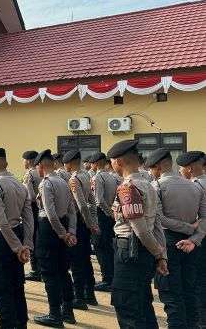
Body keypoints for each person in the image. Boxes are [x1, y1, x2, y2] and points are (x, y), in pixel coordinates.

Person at [107, 139, 167, 328]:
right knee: (142, 305)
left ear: (118, 162)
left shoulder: (128, 187)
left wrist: (159, 254)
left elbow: (139, 228)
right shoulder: (148, 183)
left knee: (127, 306)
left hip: (131, 251)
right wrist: (161, 254)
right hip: (144, 252)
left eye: (112, 162)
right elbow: (156, 223)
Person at [147, 148, 206, 329]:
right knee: (190, 290)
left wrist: (188, 228)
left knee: (171, 293)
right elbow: (203, 218)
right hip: (190, 244)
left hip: (168, 241)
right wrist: (194, 236)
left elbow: (159, 218)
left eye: (151, 169)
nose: (150, 172)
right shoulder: (195, 186)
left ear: (157, 167)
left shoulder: (157, 186)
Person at [0, 148, 34, 329]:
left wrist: (17, 248)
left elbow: (1, 222)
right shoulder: (20, 184)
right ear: (6, 164)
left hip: (2, 240)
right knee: (17, 285)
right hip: (18, 235)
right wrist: (26, 245)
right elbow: (28, 218)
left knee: (1, 286)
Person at [33, 149, 78, 327]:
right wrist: (71, 232)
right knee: (63, 271)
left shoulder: (46, 184)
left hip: (49, 231)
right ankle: (68, 311)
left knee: (49, 273)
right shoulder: (63, 181)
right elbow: (72, 211)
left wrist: (62, 234)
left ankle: (54, 314)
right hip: (64, 227)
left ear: (41, 166)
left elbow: (51, 214)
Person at [63, 150, 99, 308]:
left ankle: (79, 298)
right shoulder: (86, 175)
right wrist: (93, 221)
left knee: (77, 262)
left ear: (70, 163)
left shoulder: (74, 179)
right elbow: (92, 200)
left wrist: (90, 222)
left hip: (78, 221)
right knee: (85, 260)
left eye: (65, 163)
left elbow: (82, 205)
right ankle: (90, 295)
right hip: (85, 222)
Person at [177, 151, 206, 326]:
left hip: (199, 237)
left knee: (198, 280)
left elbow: (201, 217)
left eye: (181, 168)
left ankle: (201, 320)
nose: (179, 171)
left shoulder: (195, 186)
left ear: (189, 168)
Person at [88, 152, 118, 292]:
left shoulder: (98, 177)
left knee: (100, 248)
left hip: (101, 216)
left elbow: (99, 201)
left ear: (96, 163)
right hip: (110, 216)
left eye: (92, 163)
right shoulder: (111, 177)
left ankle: (107, 279)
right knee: (109, 248)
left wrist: (109, 213)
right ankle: (112, 277)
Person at [21, 150, 43, 282]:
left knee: (32, 238)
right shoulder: (41, 172)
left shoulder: (30, 174)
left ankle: (35, 270)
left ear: (28, 161)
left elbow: (29, 196)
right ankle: (40, 267)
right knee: (39, 238)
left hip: (33, 208)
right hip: (42, 208)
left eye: (23, 160)